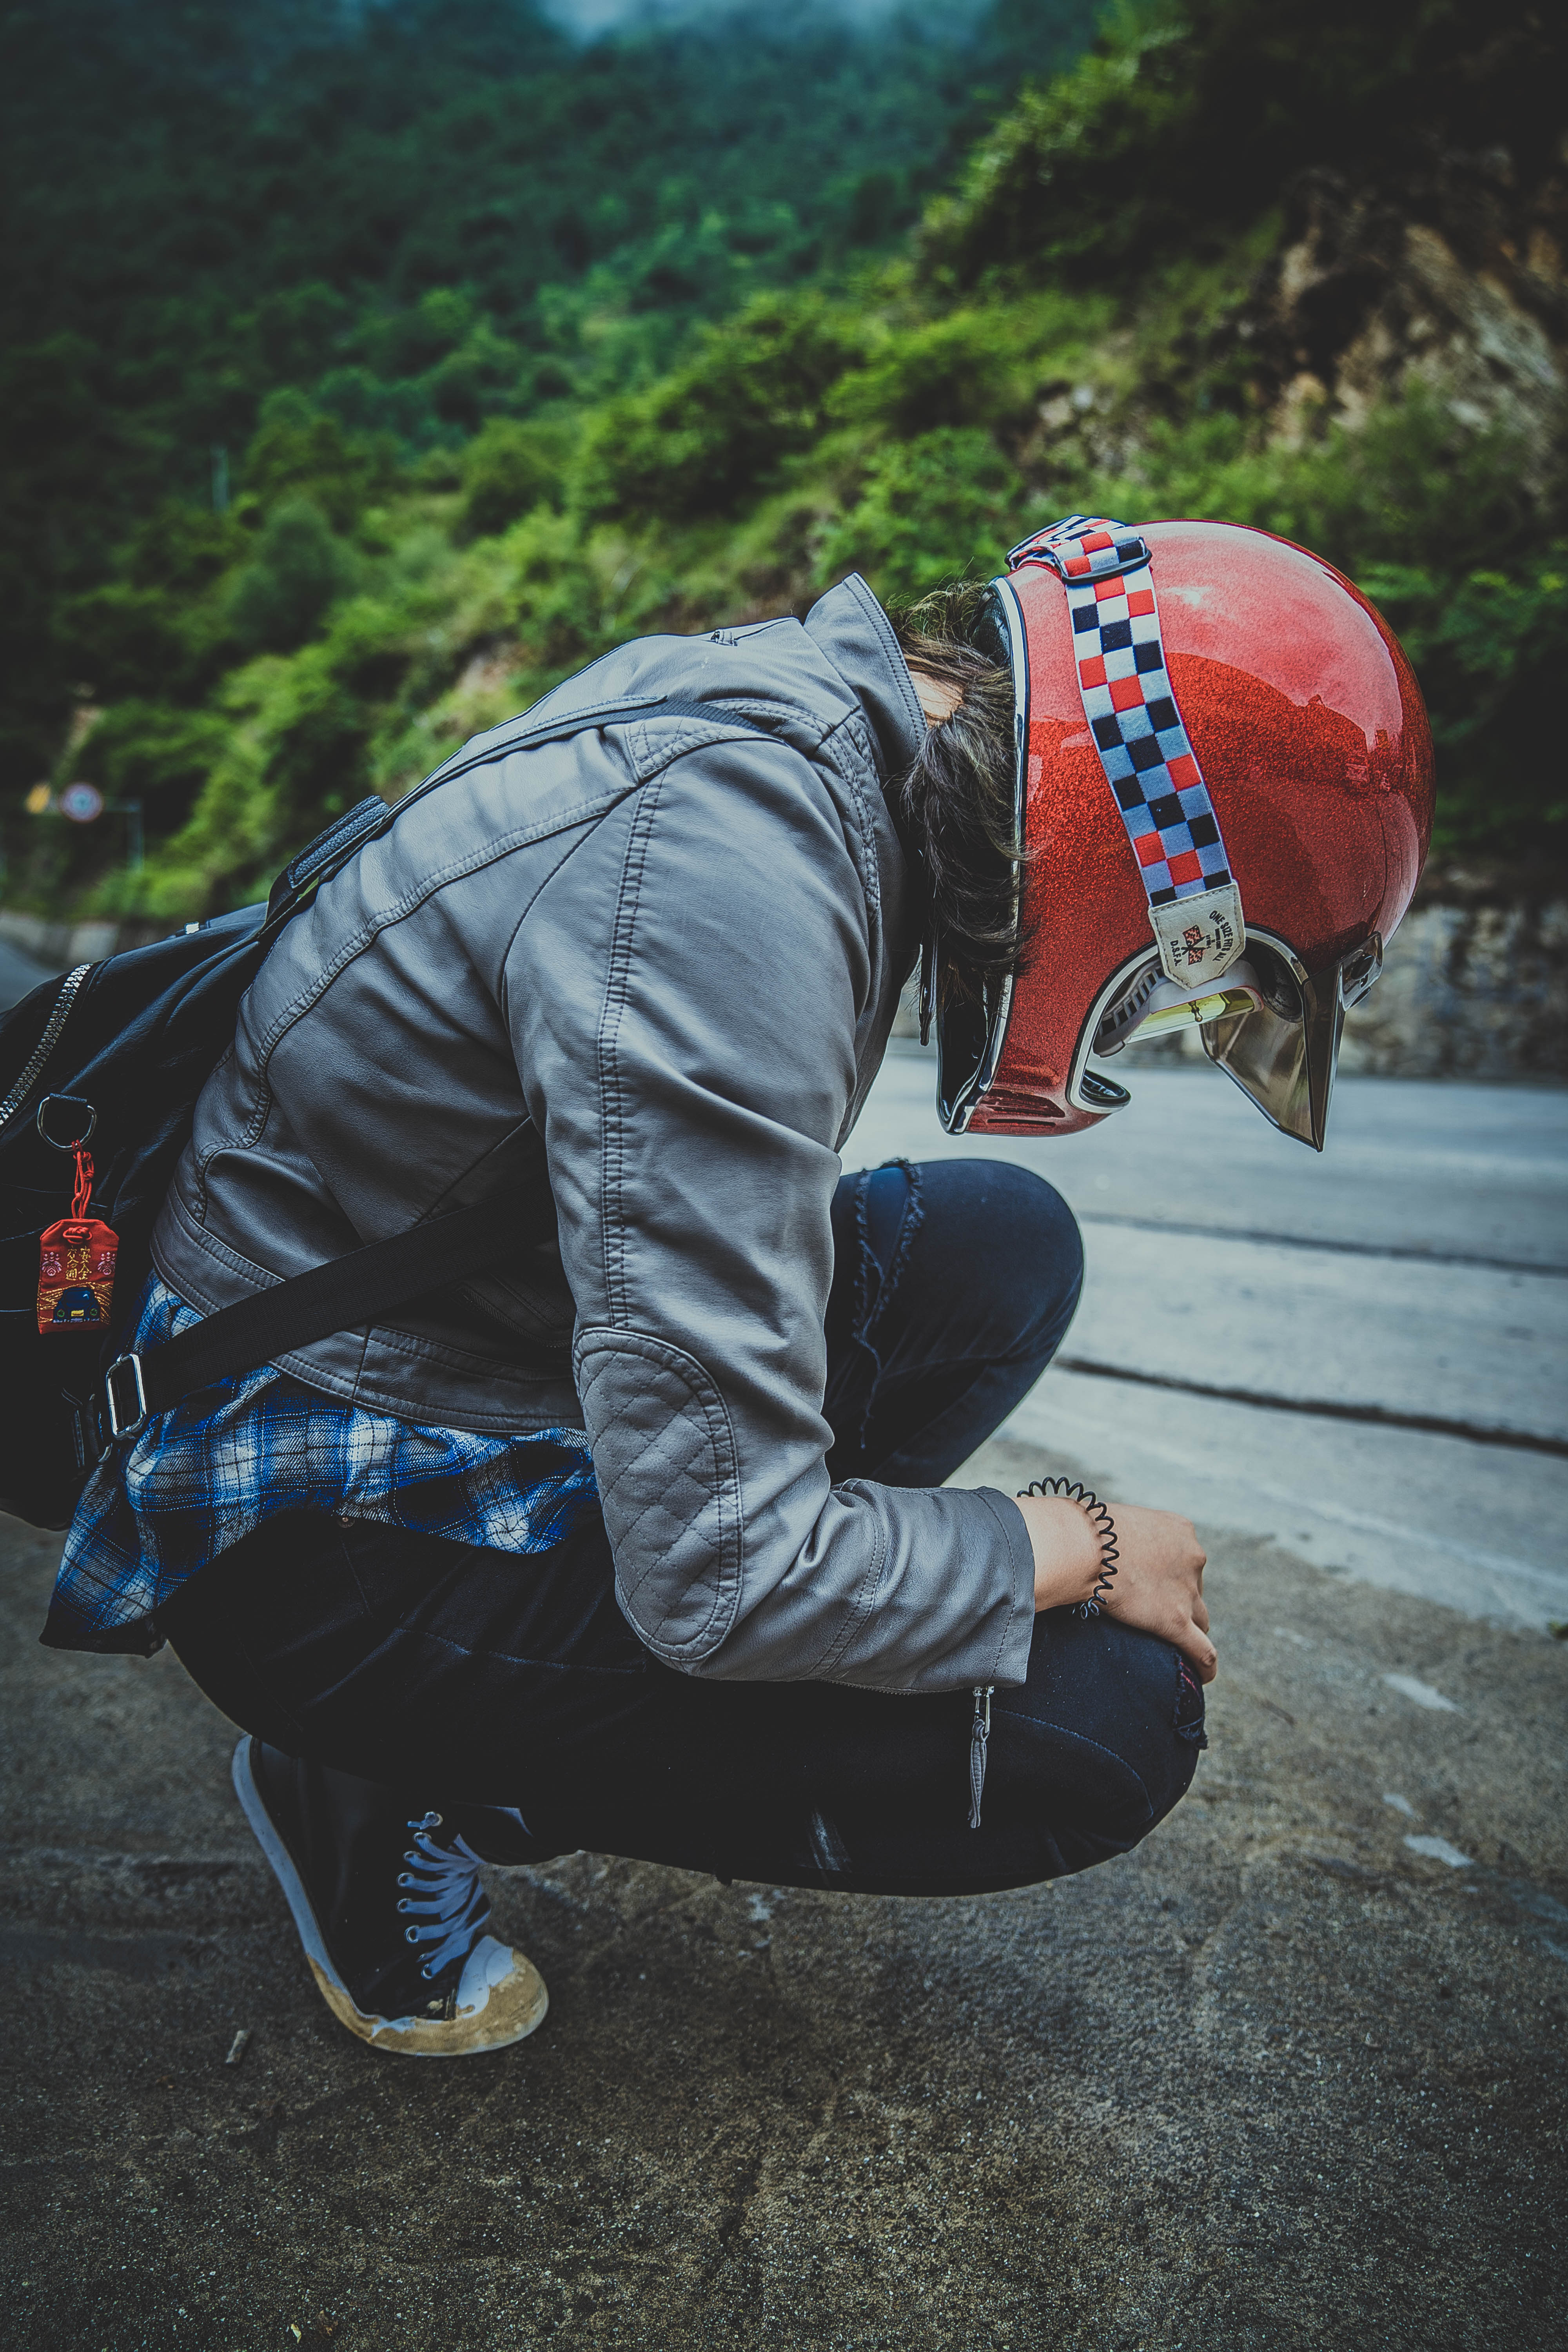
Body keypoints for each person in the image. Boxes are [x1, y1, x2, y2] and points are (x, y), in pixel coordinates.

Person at [46, 514, 1432, 2055]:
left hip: (437, 1349)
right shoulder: (731, 889)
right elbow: (724, 1570)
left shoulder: (803, 722)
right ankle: (373, 1784)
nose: (1150, 1017)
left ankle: (474, 1722)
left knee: (1001, 1253)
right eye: (1188, 976)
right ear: (1143, 865)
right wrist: (1078, 1543)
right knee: (1104, 1726)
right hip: (321, 1533)